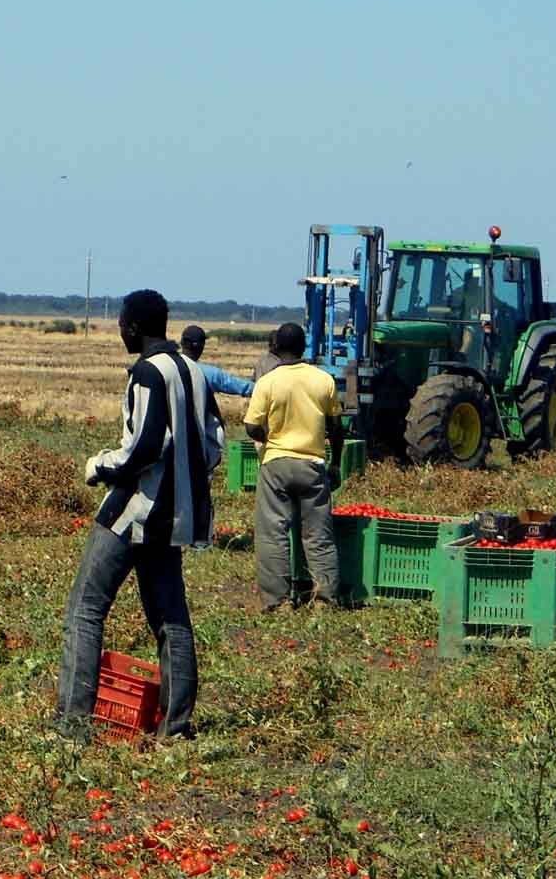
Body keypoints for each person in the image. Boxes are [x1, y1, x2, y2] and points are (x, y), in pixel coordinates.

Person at [56, 289, 224, 739]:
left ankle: (72, 724)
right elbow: (214, 444)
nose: (120, 331)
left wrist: (101, 466)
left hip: (135, 512)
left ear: (132, 326)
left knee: (85, 611)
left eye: (121, 324)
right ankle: (175, 726)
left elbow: (145, 448)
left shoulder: (147, 374)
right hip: (176, 517)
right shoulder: (194, 371)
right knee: (171, 618)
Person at [244, 322, 343, 610]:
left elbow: (251, 427)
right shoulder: (323, 380)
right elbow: (336, 428)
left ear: (275, 348)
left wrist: (269, 440)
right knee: (318, 534)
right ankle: (325, 598)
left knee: (273, 533)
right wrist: (335, 464)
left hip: (276, 463)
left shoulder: (268, 382)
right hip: (312, 463)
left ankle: (278, 602)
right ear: (304, 347)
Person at [180, 325, 253, 398]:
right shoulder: (210, 374)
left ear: (182, 343)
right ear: (201, 346)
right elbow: (243, 387)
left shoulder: (171, 367)